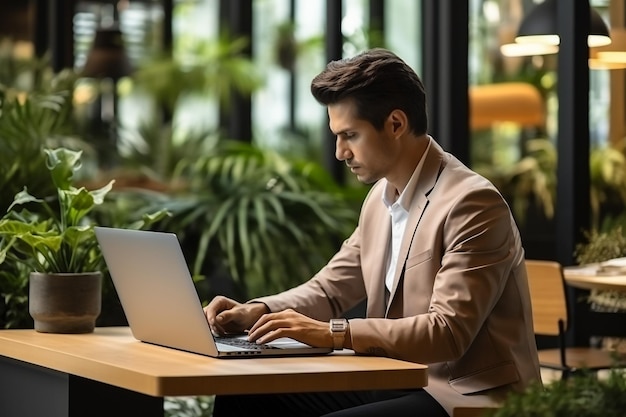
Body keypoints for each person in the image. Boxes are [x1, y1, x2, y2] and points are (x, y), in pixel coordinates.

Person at [204, 48, 541, 417]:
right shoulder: (378, 200)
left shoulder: (472, 203)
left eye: (350, 135)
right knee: (242, 393)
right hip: (395, 379)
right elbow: (330, 289)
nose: (339, 152)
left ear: (396, 124)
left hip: (467, 395)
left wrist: (334, 333)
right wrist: (258, 311)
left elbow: (447, 332)